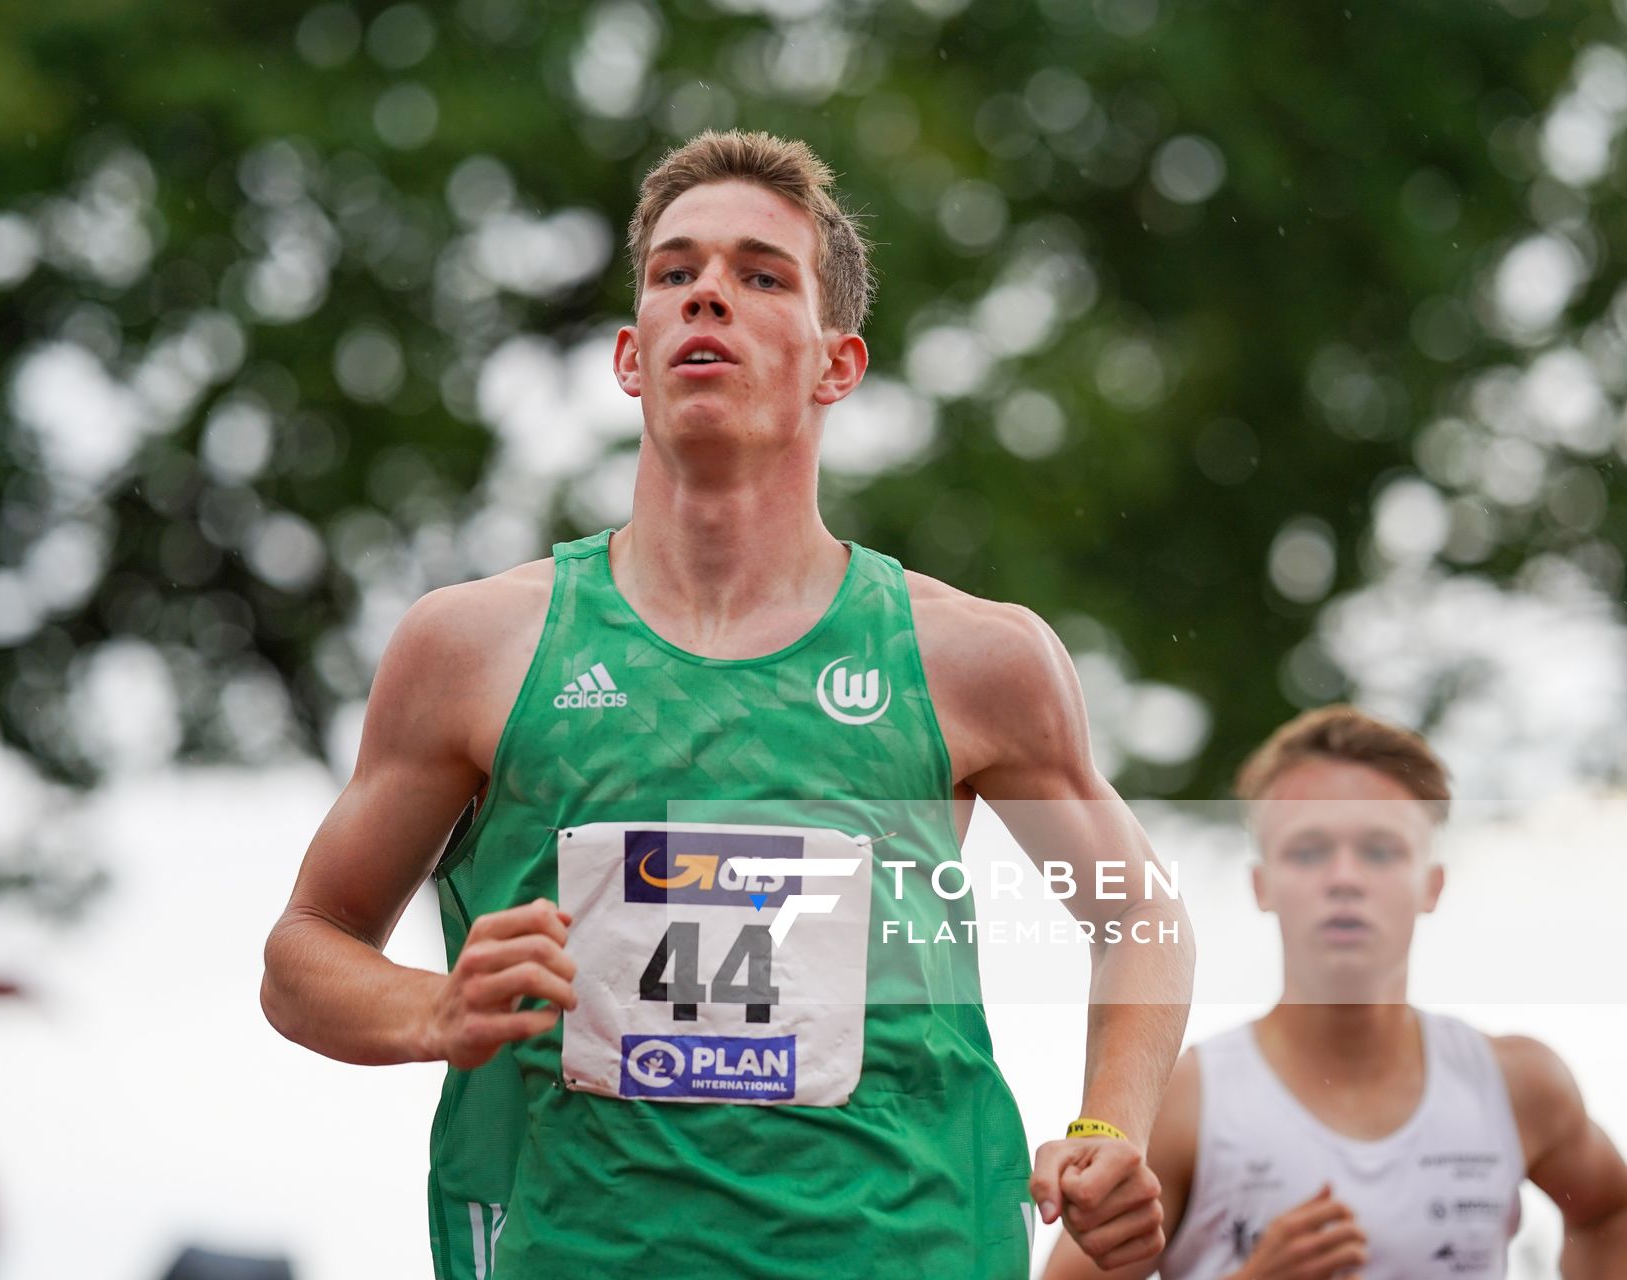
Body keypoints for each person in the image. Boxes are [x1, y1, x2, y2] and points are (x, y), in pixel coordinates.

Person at [262, 129, 1193, 1279]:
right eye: (676, 273)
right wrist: (431, 1008)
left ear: (835, 364)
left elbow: (1139, 916)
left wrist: (1110, 1131)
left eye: (762, 276)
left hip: (912, 1247)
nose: (710, 294)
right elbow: (304, 952)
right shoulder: (474, 646)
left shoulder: (972, 658)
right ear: (630, 354)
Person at [1043, 705, 1627, 1279]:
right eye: (1308, 851)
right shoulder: (1185, 1104)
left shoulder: (1520, 1084)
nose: (1343, 878)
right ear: (1262, 884)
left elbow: (1608, 1214)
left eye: (1379, 850)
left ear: (1432, 884)